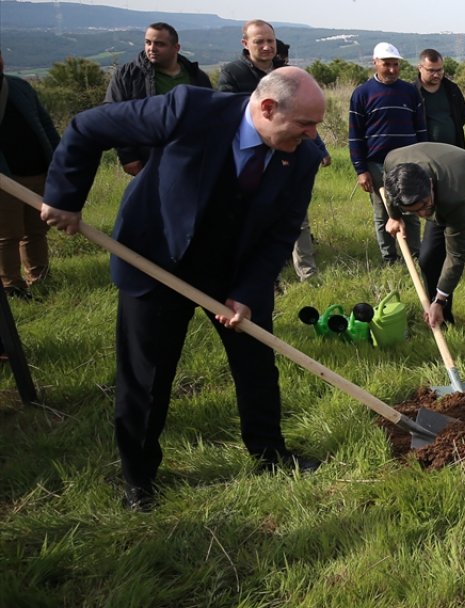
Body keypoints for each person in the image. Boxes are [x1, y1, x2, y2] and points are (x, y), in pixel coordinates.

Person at [41, 67, 329, 512]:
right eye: (305, 124)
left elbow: (281, 231)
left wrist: (249, 293)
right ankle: (139, 480)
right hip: (155, 259)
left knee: (256, 363)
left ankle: (269, 452)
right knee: (147, 377)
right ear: (268, 108)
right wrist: (65, 196)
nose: (312, 136)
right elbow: (88, 126)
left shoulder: (303, 157)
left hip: (232, 270)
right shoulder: (189, 110)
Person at [218, 20, 330, 284]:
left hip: (287, 153)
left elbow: (303, 117)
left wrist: (319, 148)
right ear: (246, 44)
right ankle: (264, 278)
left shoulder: (286, 73)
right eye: (260, 41)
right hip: (251, 158)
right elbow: (227, 114)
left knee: (296, 214)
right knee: (254, 217)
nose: (267, 47)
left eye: (271, 41)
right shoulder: (233, 74)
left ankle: (307, 272)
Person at [382, 143, 465, 335]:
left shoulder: (456, 197)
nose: (422, 214)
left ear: (429, 184)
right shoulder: (393, 160)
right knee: (428, 258)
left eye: (424, 207)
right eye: (414, 212)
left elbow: (456, 255)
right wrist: (395, 216)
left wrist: (439, 300)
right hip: (444, 194)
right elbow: (388, 188)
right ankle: (442, 323)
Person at [349, 42, 429, 266]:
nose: (392, 69)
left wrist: (423, 159)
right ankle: (389, 258)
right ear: (375, 63)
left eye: (396, 65)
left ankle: (414, 255)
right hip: (377, 164)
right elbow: (355, 135)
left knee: (412, 210)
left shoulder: (410, 92)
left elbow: (421, 129)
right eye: (387, 65)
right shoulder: (362, 94)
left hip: (409, 160)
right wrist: (361, 170)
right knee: (383, 212)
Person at [104, 22, 213, 176]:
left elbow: (210, 116)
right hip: (147, 159)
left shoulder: (196, 76)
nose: (152, 48)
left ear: (176, 48)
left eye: (159, 44)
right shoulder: (127, 75)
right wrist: (128, 156)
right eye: (148, 42)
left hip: (190, 158)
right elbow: (113, 115)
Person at [0, 52, 60, 300]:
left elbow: (45, 125)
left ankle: (39, 277)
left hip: (39, 171)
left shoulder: (18, 86)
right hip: (5, 179)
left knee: (36, 230)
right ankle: (11, 287)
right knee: (8, 235)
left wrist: (60, 158)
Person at [415, 49, 465, 149]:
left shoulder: (452, 89)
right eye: (431, 70)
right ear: (420, 68)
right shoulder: (412, 92)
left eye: (439, 70)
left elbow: (462, 113)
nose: (436, 74)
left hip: (454, 150)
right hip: (423, 153)